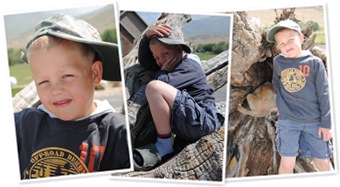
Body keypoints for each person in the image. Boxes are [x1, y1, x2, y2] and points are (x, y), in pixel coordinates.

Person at [15, 13, 130, 179]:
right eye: (43, 82)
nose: (56, 90)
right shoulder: (22, 125)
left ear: (95, 73)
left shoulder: (117, 133)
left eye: (67, 76)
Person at [133, 24, 224, 171]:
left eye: (165, 54)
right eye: (156, 57)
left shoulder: (189, 66)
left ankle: (164, 145)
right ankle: (165, 147)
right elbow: (145, 61)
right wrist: (147, 36)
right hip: (190, 121)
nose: (160, 60)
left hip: (203, 120)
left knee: (154, 87)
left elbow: (160, 84)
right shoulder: (171, 63)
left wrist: (162, 72)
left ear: (180, 50)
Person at [267, 19, 333, 174]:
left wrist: (326, 124)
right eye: (281, 44)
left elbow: (324, 94)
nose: (286, 46)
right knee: (286, 163)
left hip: (315, 122)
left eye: (290, 40)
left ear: (301, 38)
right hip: (288, 121)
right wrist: (282, 106)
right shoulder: (279, 62)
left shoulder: (314, 63)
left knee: (323, 162)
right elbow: (277, 85)